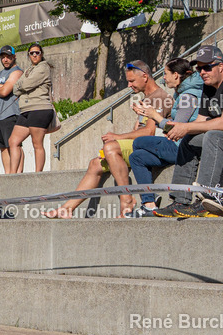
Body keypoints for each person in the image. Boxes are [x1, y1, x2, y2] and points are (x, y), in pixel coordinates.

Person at [44, 60, 168, 219]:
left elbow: (149, 132)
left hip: (154, 149)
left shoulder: (159, 97)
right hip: (140, 146)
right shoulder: (146, 98)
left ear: (145, 76)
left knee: (111, 147)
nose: (129, 86)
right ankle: (67, 208)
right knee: (95, 164)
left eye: (132, 81)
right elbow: (138, 131)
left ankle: (127, 200)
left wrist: (117, 138)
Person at [128, 58, 203, 216]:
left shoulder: (188, 97)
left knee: (140, 141)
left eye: (166, 74)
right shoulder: (182, 93)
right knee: (136, 157)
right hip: (178, 144)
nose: (163, 78)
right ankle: (149, 203)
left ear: (176, 75)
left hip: (184, 147)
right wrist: (147, 113)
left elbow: (177, 129)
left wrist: (154, 115)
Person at [159, 46, 223, 217]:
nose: (202, 72)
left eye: (207, 67)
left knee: (213, 135)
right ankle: (180, 200)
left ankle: (208, 196)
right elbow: (200, 121)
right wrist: (181, 130)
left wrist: (185, 126)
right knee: (190, 139)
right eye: (199, 68)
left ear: (221, 67)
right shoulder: (208, 89)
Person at [9, 43, 54, 172]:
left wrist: (20, 85)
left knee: (37, 143)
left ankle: (37, 174)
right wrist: (20, 86)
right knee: (13, 141)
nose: (34, 55)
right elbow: (15, 88)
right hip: (25, 110)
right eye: (32, 53)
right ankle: (12, 175)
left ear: (41, 54)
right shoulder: (29, 70)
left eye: (37, 53)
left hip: (39, 109)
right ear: (28, 55)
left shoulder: (43, 68)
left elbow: (26, 84)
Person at [0, 46, 24, 173]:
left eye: (8, 57)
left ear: (14, 56)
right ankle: (8, 174)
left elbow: (4, 92)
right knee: (2, 147)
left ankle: (17, 174)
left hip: (11, 114)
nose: (5, 59)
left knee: (14, 145)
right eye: (3, 57)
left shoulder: (17, 72)